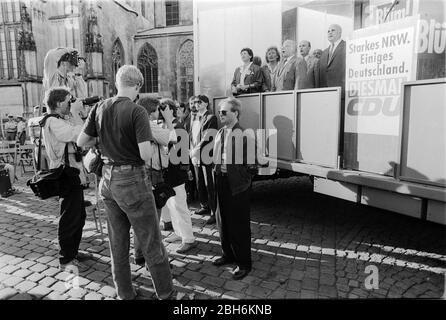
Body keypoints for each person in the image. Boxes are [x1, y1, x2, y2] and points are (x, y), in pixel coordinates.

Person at [77, 65, 175, 300]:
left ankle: (125, 293)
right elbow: (144, 154)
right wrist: (154, 142)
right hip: (132, 180)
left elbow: (82, 141)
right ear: (138, 85)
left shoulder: (100, 107)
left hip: (107, 180)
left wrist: (105, 144)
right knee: (151, 242)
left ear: (118, 83)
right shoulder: (137, 111)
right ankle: (167, 294)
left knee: (117, 244)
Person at [41, 87, 87, 270]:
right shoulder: (53, 121)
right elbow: (78, 134)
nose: (71, 103)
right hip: (65, 174)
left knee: (79, 215)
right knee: (70, 217)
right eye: (69, 101)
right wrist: (76, 112)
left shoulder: (58, 120)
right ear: (59, 103)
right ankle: (66, 258)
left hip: (71, 173)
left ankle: (72, 251)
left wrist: (74, 111)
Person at [212, 97, 255, 280]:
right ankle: (227, 254)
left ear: (235, 113)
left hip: (237, 185)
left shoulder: (245, 133)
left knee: (239, 225)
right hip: (221, 181)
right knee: (223, 221)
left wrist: (240, 179)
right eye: (220, 111)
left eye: (224, 112)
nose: (220, 115)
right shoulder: (221, 132)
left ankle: (244, 263)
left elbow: (252, 166)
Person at [157, 98, 196, 253]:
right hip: (169, 173)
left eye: (162, 109)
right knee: (172, 204)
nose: (159, 112)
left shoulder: (177, 126)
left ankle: (189, 238)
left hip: (176, 173)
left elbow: (180, 153)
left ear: (169, 110)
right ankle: (179, 233)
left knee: (180, 206)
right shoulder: (169, 124)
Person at [190, 95, 218, 225]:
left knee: (210, 185)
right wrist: (191, 150)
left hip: (206, 155)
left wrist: (196, 149)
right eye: (195, 102)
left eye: (199, 102)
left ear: (206, 103)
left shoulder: (211, 118)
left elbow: (208, 136)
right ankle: (204, 206)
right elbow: (191, 135)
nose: (196, 104)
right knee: (199, 181)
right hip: (195, 155)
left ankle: (214, 212)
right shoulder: (194, 117)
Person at [318, 24, 346, 94]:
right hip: (325, 92)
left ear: (340, 32)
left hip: (341, 92)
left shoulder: (347, 47)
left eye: (333, 30)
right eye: (328, 31)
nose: (330, 32)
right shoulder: (324, 52)